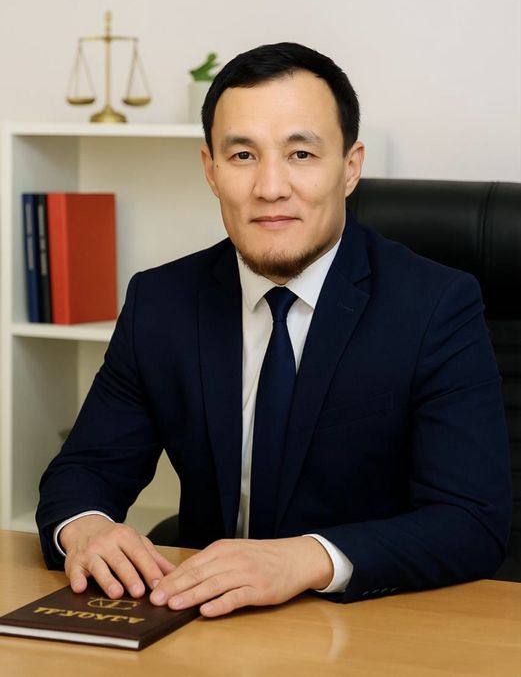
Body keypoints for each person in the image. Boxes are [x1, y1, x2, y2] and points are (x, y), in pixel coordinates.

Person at [36, 42, 512, 618]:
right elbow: (85, 469)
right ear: (211, 170)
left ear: (351, 167)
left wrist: (305, 559)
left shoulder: (435, 305)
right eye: (242, 155)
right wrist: (86, 527)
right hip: (207, 622)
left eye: (301, 154)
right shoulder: (160, 301)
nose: (270, 187)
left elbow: (471, 520)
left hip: (369, 622)